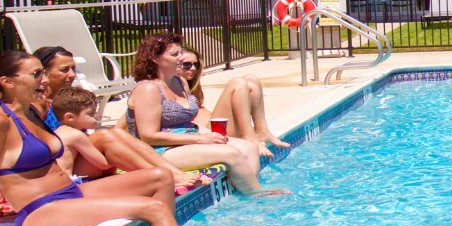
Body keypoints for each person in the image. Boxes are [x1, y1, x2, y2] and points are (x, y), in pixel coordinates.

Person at [0, 50, 181, 226]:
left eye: (43, 73)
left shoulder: (33, 111)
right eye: (36, 74)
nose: (44, 79)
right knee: (153, 207)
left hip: (70, 192)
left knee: (161, 177)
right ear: (7, 82)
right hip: (40, 209)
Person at [125, 34, 284, 196]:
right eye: (174, 54)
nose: (181, 57)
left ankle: (244, 190)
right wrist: (200, 139)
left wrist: (207, 135)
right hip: (159, 151)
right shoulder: (148, 89)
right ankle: (256, 195)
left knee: (249, 147)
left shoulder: (180, 82)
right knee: (231, 154)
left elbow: (188, 122)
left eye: (180, 53)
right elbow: (149, 136)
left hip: (187, 140)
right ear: (155, 59)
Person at [53, 86, 203, 188]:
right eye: (91, 114)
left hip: (79, 177)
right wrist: (118, 151)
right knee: (105, 135)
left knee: (117, 133)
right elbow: (104, 164)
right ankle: (162, 176)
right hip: (72, 184)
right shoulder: (74, 135)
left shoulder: (68, 131)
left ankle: (173, 173)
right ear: (70, 117)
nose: (97, 116)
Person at [178, 48, 288, 150]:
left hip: (217, 126)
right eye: (187, 65)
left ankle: (262, 131)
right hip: (211, 132)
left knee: (251, 79)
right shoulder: (172, 89)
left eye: (196, 64)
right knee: (237, 84)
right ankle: (249, 137)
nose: (193, 68)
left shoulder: (189, 87)